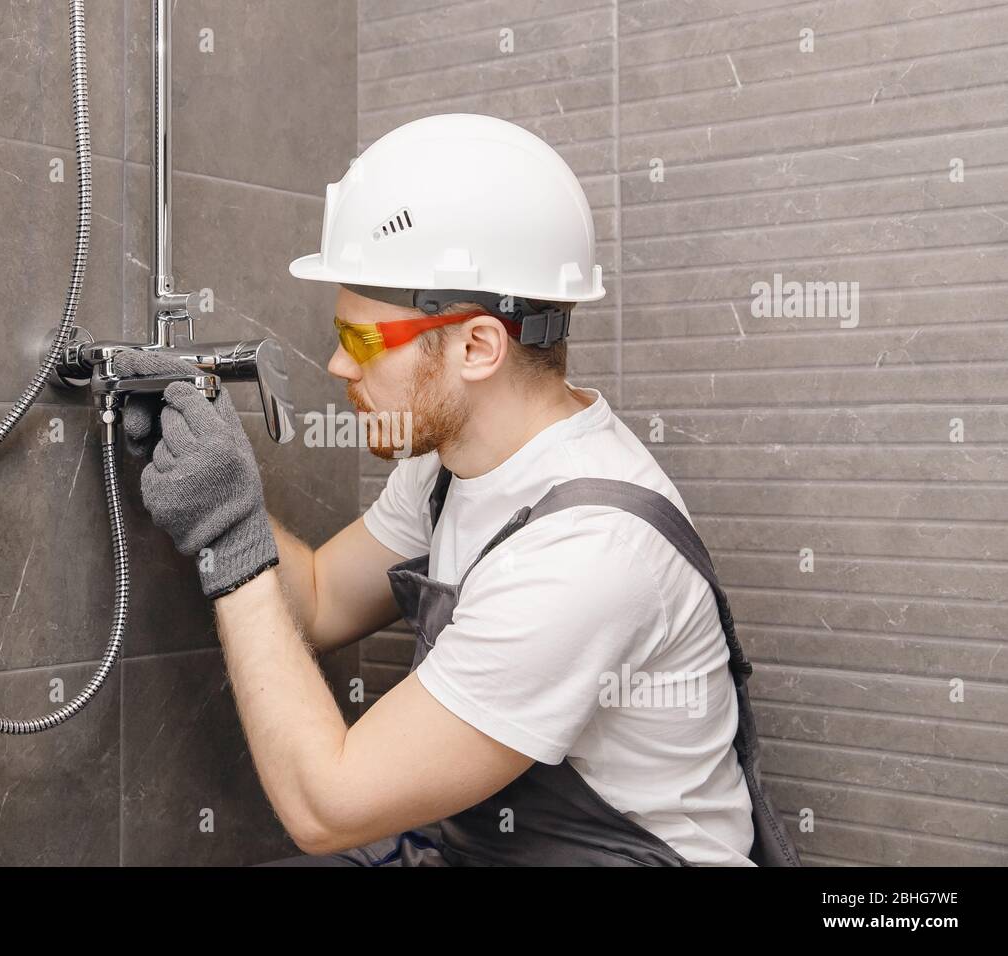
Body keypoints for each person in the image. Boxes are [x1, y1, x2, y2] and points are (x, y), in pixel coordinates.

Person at [116, 113, 800, 867]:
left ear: (477, 346)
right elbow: (318, 599)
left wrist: (228, 533)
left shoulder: (588, 551)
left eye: (362, 340)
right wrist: (216, 484)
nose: (338, 366)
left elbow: (326, 808)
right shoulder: (453, 461)